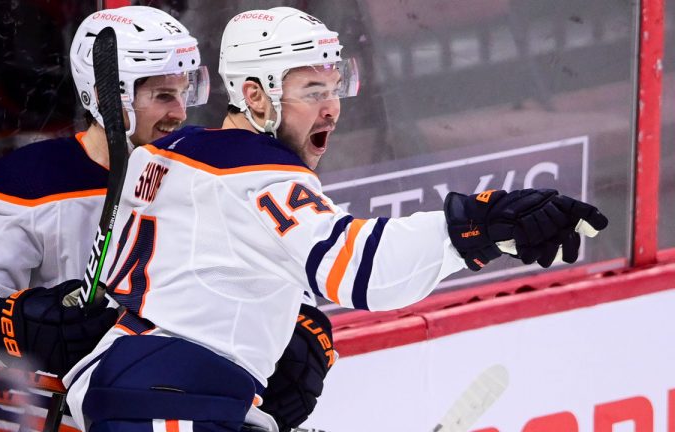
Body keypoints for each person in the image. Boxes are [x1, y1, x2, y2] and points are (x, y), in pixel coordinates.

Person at [63, 6, 608, 432]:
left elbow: (203, 275)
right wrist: (478, 225)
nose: (332, 107)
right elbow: (362, 270)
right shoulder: (258, 172)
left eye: (335, 86)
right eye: (312, 91)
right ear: (254, 94)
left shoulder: (168, 152)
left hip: (121, 388)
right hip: (169, 404)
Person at [0, 6, 209, 431]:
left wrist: (295, 321)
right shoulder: (32, 183)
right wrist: (17, 327)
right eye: (162, 95)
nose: (181, 113)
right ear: (106, 95)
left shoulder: (200, 172)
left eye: (186, 92)